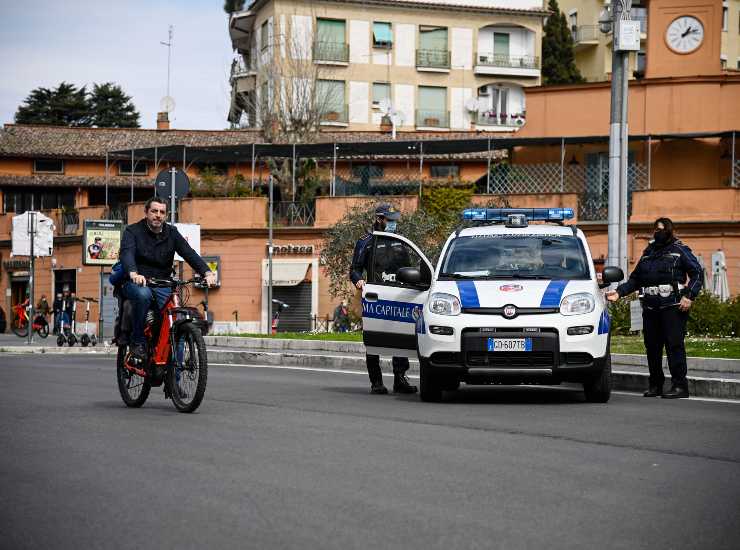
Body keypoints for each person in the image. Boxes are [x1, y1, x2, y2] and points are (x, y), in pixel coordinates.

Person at [606, 218, 702, 399]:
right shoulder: (648, 252)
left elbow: (697, 273)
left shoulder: (680, 250)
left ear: (670, 231)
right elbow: (636, 279)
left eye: (662, 230)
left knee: (674, 345)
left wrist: (689, 296)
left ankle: (680, 387)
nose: (658, 233)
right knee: (652, 347)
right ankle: (655, 385)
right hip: (650, 307)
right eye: (656, 230)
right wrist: (619, 292)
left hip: (673, 306)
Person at [119, 197, 217, 364]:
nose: (158, 215)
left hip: (163, 283)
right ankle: (138, 341)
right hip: (137, 282)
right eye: (154, 211)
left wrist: (207, 272)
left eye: (162, 212)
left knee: (177, 318)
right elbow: (127, 254)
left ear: (166, 215)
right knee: (143, 295)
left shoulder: (171, 233)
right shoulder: (133, 231)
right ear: (146, 212)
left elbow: (189, 253)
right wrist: (134, 273)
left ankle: (175, 380)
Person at [350, 203, 417, 395]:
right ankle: (376, 382)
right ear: (379, 219)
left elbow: (408, 268)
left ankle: (400, 379)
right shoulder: (366, 241)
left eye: (395, 220)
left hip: (399, 296)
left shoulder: (399, 241)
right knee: (374, 340)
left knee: (400, 339)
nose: (394, 223)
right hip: (376, 298)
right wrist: (359, 281)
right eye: (390, 220)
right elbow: (354, 270)